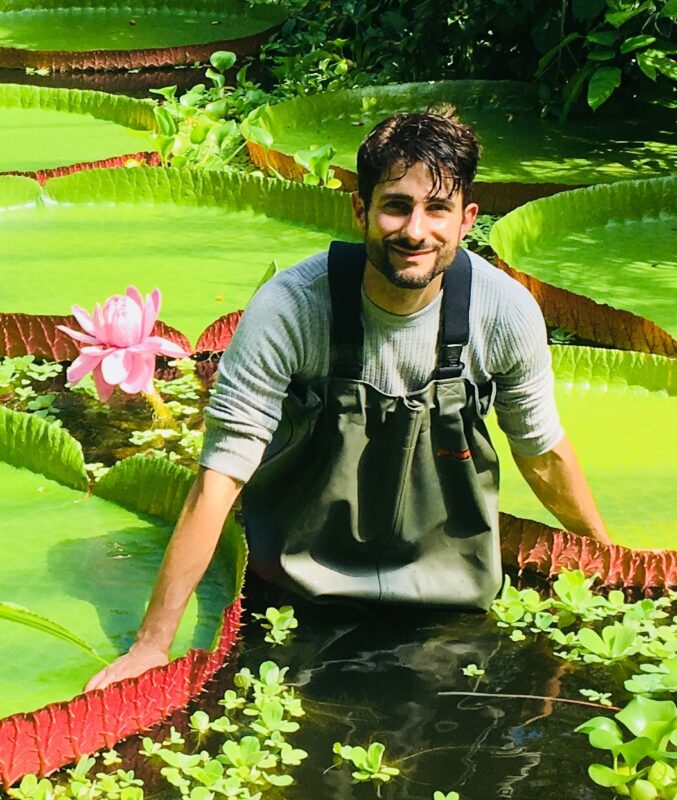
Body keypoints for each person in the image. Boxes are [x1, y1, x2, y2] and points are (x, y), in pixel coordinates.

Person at [86, 112, 610, 691]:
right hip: (297, 593)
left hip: (450, 604)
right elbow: (221, 477)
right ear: (360, 210)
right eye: (396, 205)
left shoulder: (506, 312)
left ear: (466, 220)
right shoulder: (288, 308)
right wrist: (151, 645)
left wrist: (609, 563)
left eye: (437, 209)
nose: (416, 230)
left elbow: (542, 451)